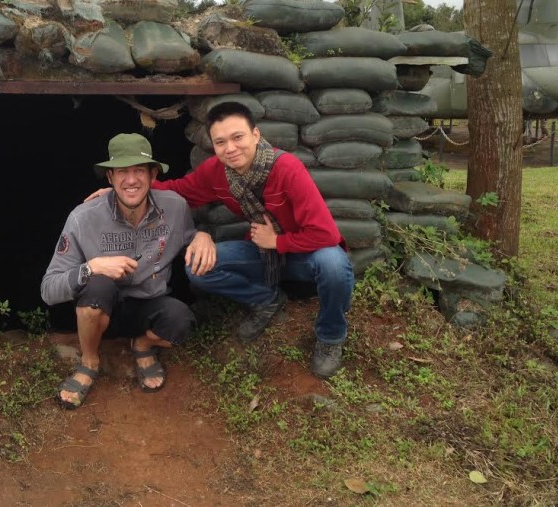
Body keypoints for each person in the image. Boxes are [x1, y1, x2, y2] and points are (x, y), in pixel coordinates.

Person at [88, 102, 354, 379]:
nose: (230, 148)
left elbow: (327, 235)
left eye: (237, 137)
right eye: (220, 142)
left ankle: (331, 337)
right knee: (198, 269)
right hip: (262, 251)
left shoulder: (287, 169)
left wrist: (277, 242)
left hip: (305, 255)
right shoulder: (217, 172)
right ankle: (267, 299)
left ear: (256, 134)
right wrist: (126, 187)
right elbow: (179, 192)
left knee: (334, 262)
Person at [41, 133, 214, 409]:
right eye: (122, 172)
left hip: (148, 306)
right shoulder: (83, 217)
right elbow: (48, 290)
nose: (131, 180)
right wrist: (92, 267)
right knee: (98, 286)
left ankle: (143, 345)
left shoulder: (175, 207)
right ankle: (89, 362)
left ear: (153, 174)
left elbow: (189, 238)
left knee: (182, 322)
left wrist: (202, 236)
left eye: (138, 171)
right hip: (99, 311)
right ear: (109, 178)